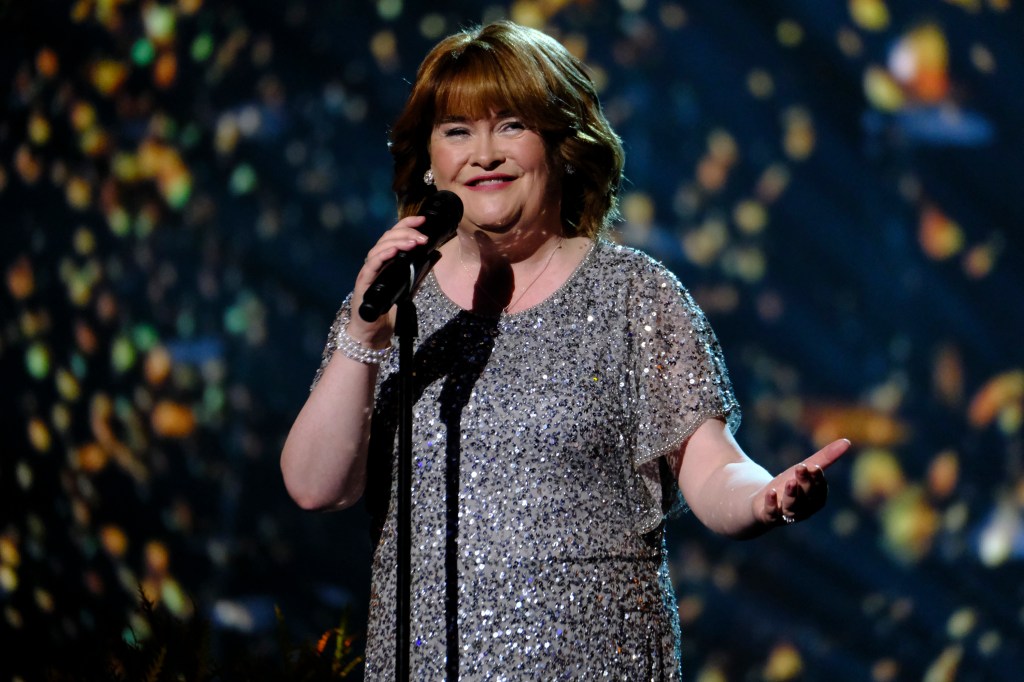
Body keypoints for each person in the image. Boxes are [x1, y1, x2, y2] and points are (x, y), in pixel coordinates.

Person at [281, 20, 850, 680]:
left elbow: (713, 468)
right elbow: (314, 486)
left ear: (562, 145)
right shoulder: (392, 303)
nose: (484, 153)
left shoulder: (633, 293)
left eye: (512, 125)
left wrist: (765, 500)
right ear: (429, 159)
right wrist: (366, 331)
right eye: (458, 130)